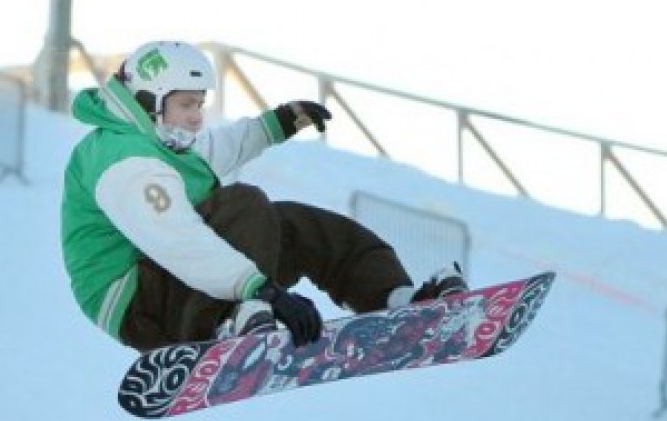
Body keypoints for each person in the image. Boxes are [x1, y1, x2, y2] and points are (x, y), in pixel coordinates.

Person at [60, 40, 468, 351]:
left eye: (200, 104)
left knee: (294, 225)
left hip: (177, 285)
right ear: (150, 101)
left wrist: (278, 124)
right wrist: (260, 291)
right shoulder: (123, 161)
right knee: (244, 205)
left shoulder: (159, 141)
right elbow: (179, 240)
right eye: (187, 105)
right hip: (137, 304)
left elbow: (213, 151)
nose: (197, 117)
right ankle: (227, 321)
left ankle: (394, 297)